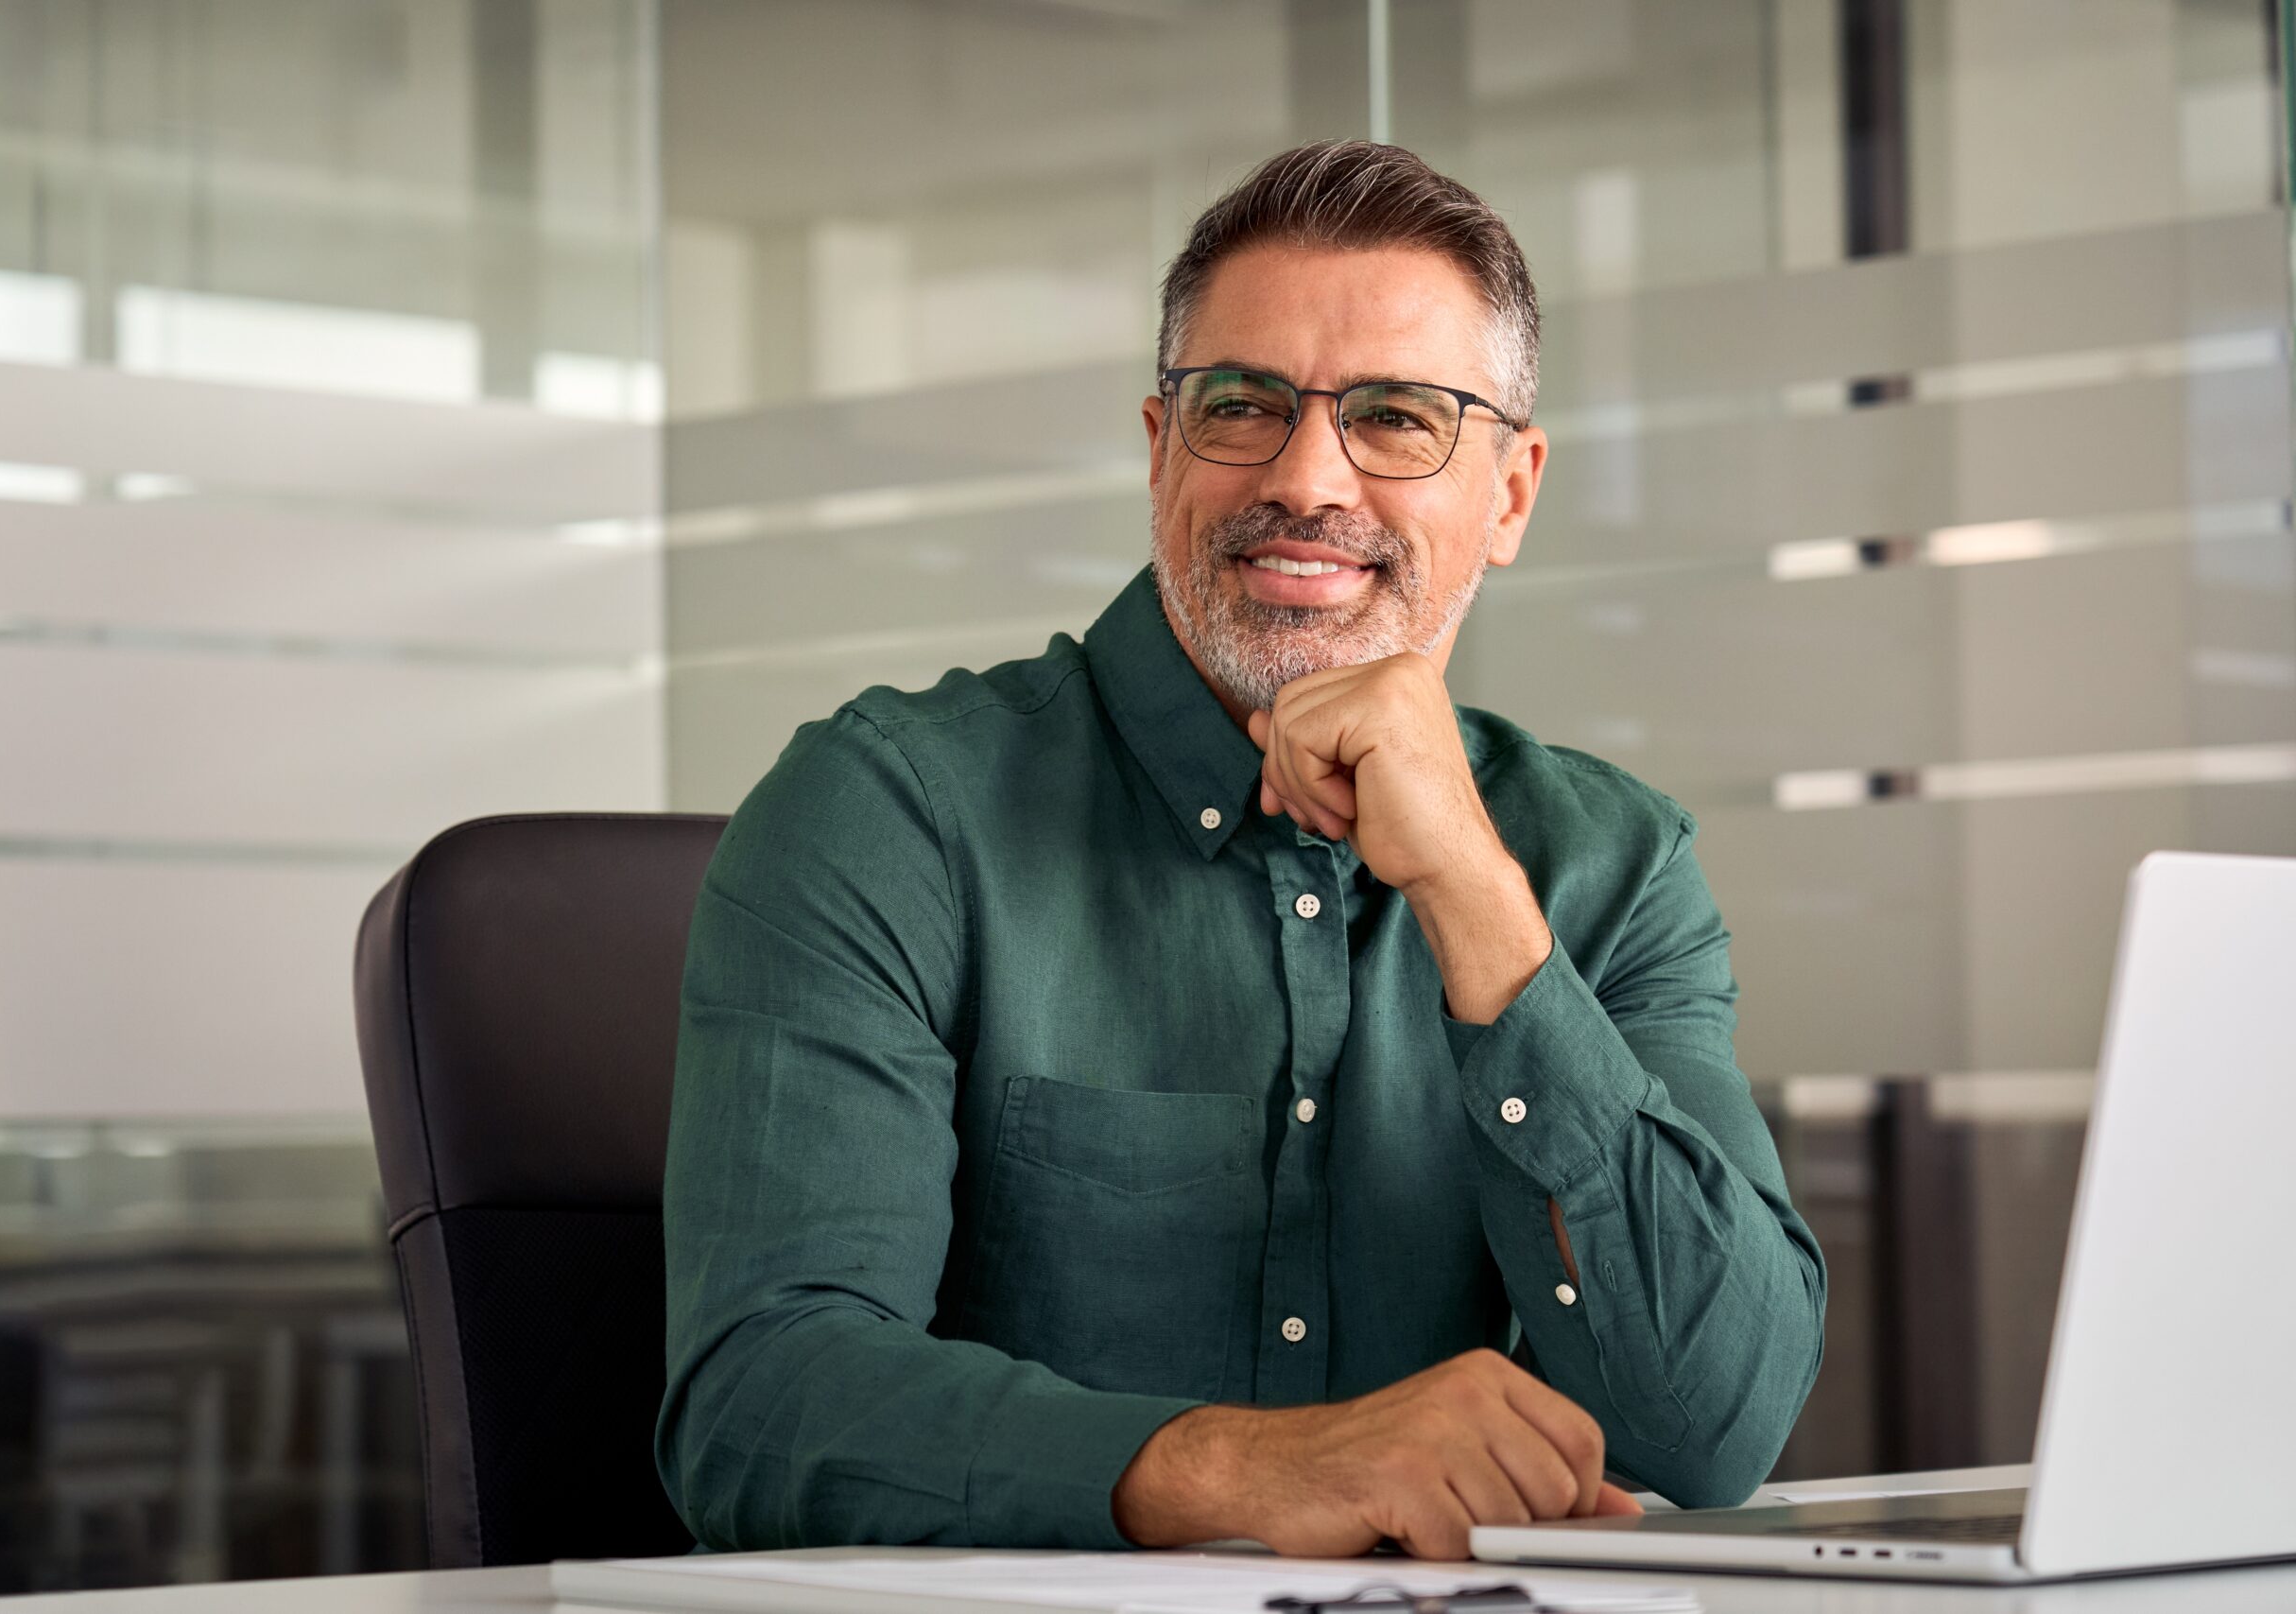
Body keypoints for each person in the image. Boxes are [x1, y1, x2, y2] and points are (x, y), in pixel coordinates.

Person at [656, 140, 1825, 1561]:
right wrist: (1250, 1469)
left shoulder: (1610, 864)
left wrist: (1473, 894)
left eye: (1398, 418)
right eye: (1242, 406)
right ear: (1162, 452)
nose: (1308, 477)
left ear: (1510, 495)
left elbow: (1713, 1428)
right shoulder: (891, 811)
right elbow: (760, 1403)